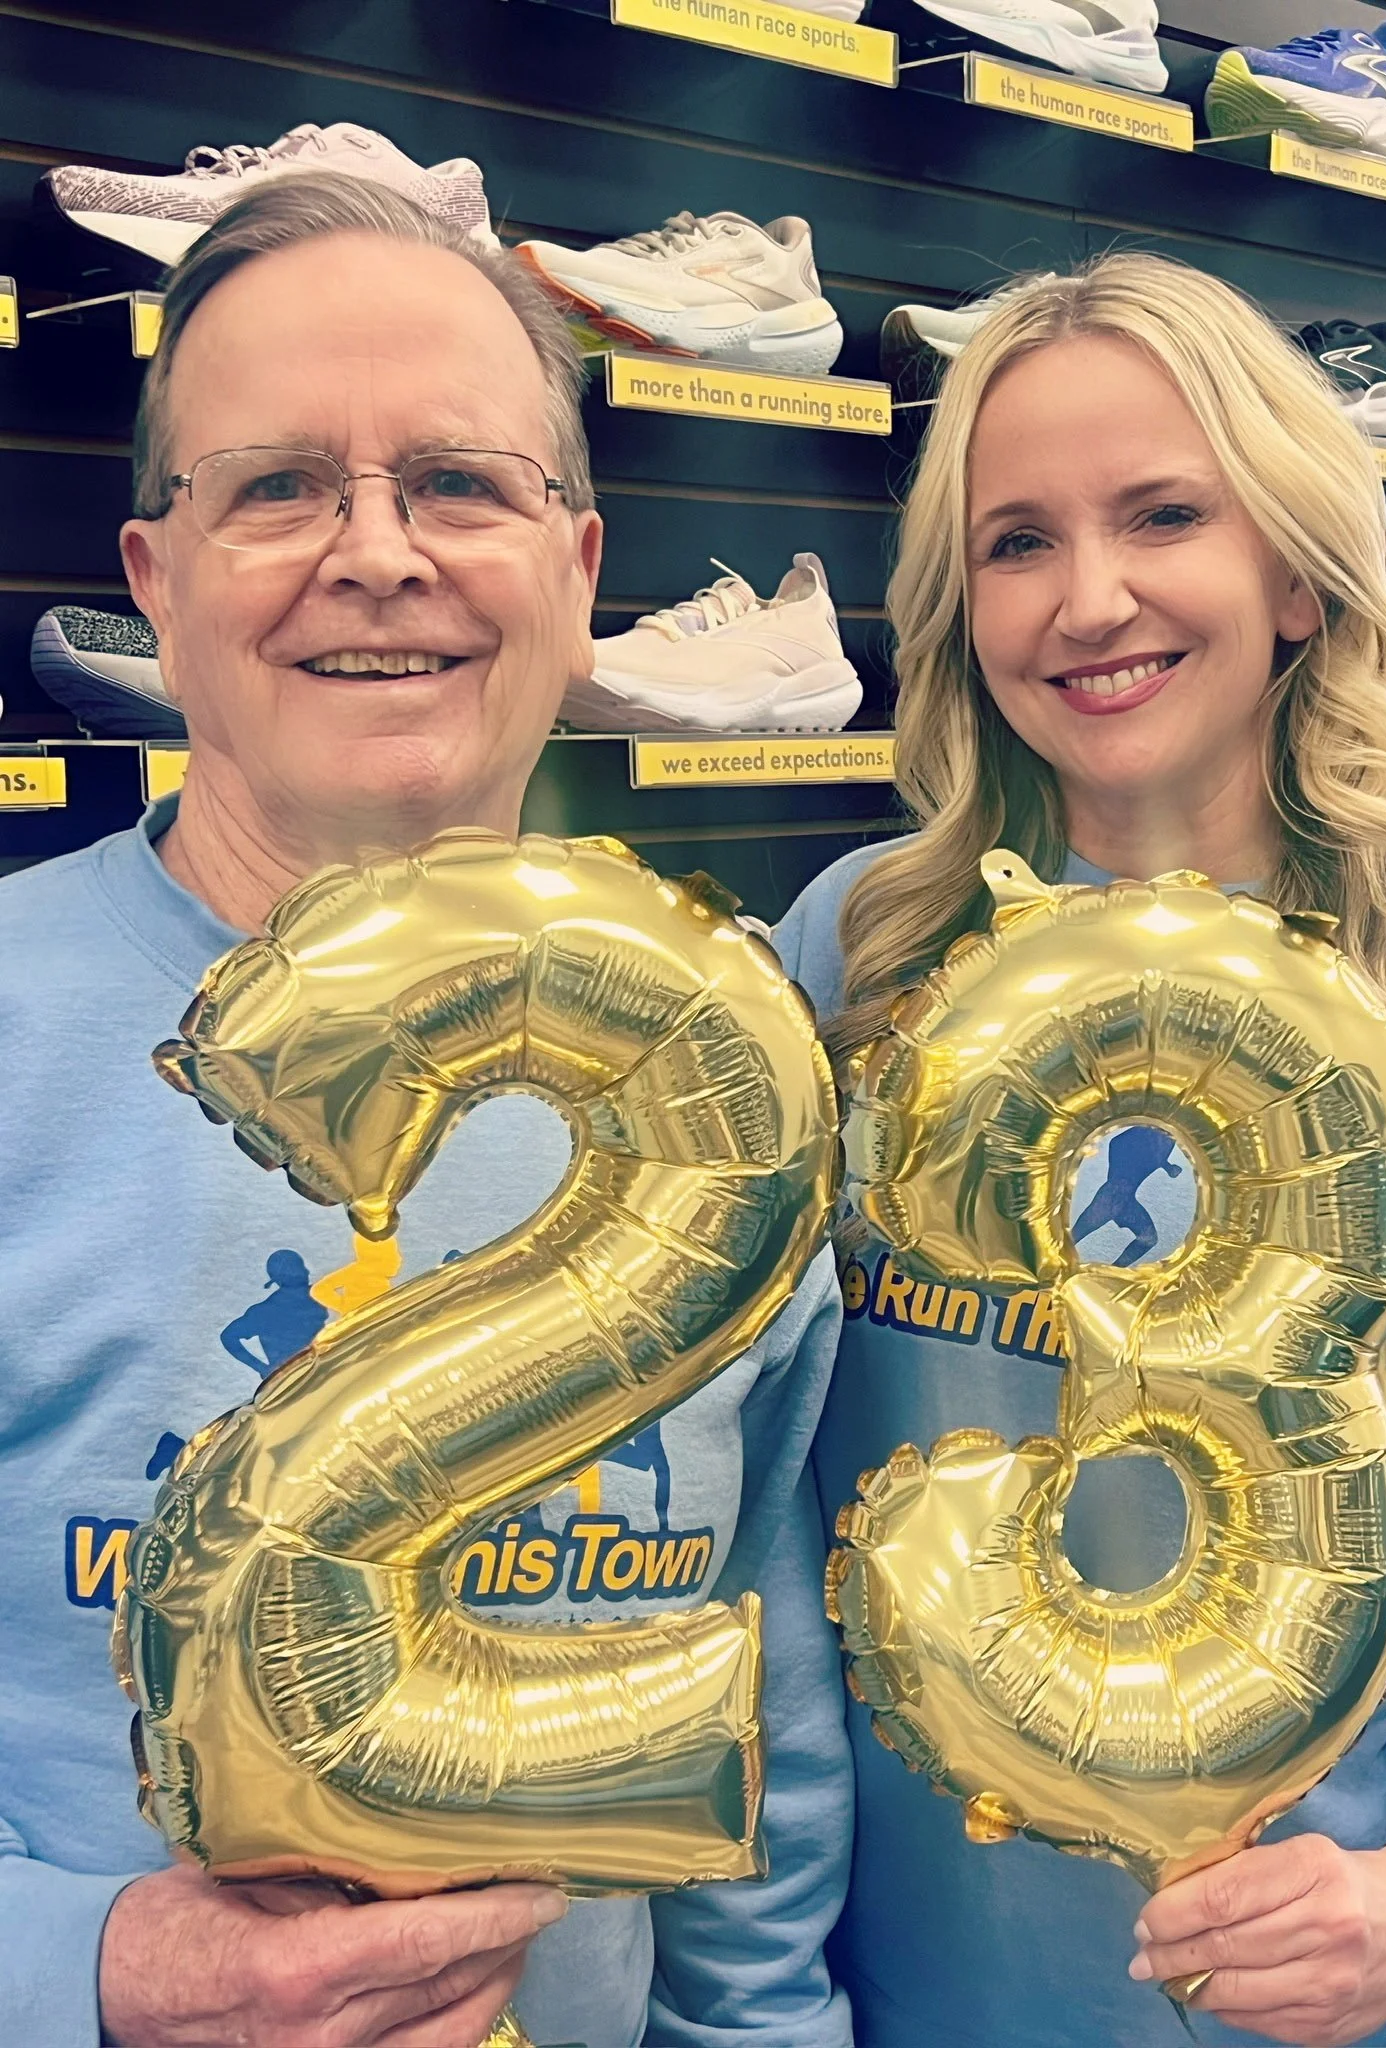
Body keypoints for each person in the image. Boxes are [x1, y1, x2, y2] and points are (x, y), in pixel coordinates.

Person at [0, 172, 852, 2048]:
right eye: (279, 487)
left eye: (460, 483)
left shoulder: (737, 1088)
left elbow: (765, 1723)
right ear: (155, 580)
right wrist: (94, 1974)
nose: (377, 554)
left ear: (578, 570)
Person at [775, 251, 1386, 2047]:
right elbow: (767, 1534)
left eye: (1163, 515)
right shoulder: (853, 956)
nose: (1088, 600)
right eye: (1016, 541)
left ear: (1296, 575)